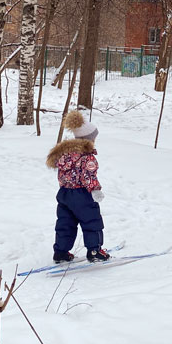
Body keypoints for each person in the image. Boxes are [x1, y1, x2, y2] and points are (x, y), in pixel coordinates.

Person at [45, 110, 110, 264]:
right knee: (91, 221)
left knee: (65, 223)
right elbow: (88, 175)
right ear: (88, 140)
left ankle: (61, 252)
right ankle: (94, 250)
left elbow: (62, 173)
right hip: (82, 194)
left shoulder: (64, 154)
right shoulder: (87, 156)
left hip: (65, 194)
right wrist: (95, 189)